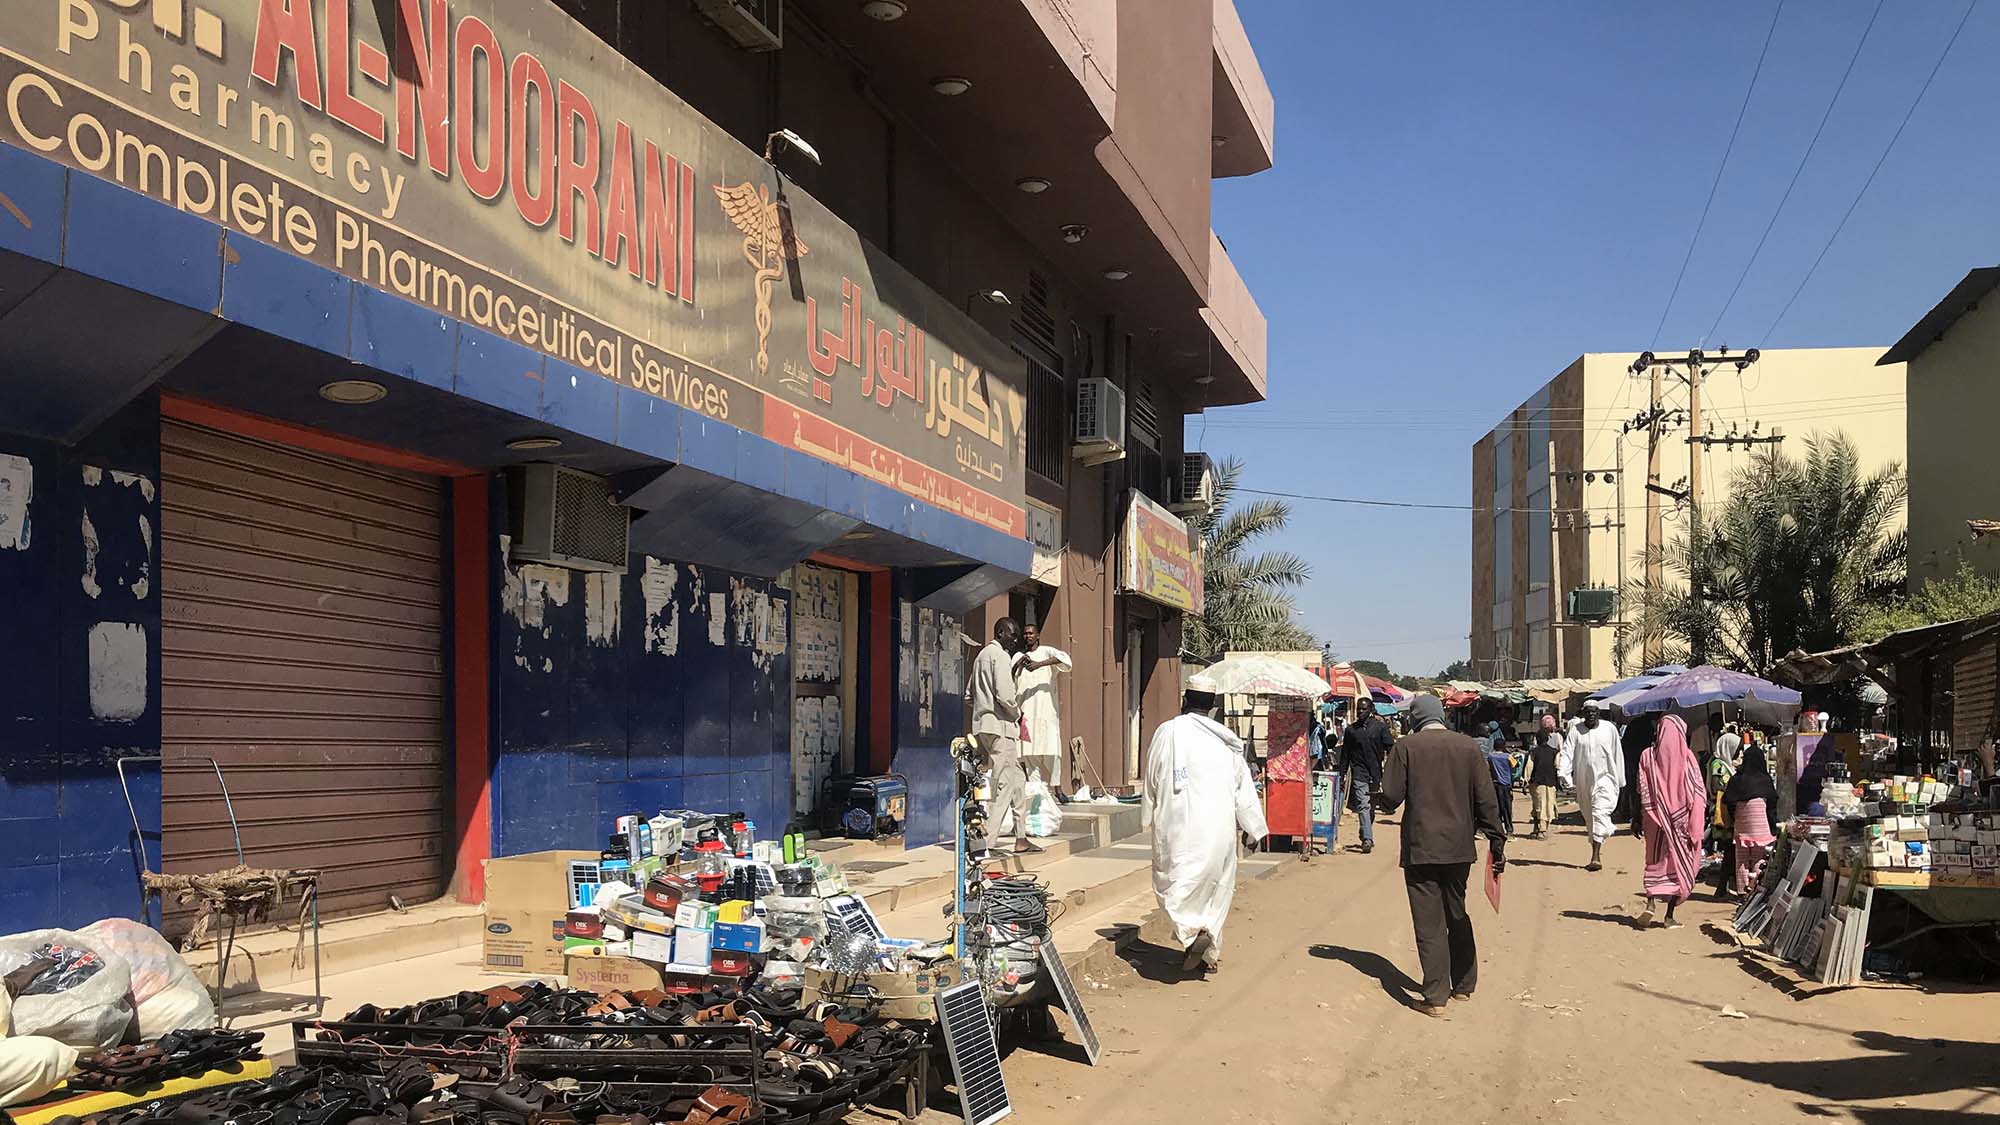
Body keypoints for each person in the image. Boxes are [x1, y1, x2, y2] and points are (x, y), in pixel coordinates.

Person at [1378, 695, 1506, 1018]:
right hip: (1460, 848)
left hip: (1421, 847)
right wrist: (1496, 839)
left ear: (1416, 719)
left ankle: (1436, 995)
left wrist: (1383, 799)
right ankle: (1463, 984)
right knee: (1456, 910)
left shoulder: (1405, 748)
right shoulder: (1468, 748)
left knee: (1428, 920)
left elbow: (1391, 796)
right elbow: (1486, 798)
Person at [1141, 673, 1269, 973]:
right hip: (1220, 829)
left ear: (1185, 700)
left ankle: (1190, 933)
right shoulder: (1226, 741)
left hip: (1178, 826)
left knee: (1176, 885)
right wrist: (1254, 828)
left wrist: (1147, 811)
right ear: (1212, 706)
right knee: (1216, 889)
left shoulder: (1168, 731)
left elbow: (1153, 773)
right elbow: (1243, 788)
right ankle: (1209, 953)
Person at [968, 617, 1034, 858]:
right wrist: (1018, 714)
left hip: (984, 724)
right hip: (1001, 727)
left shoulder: (981, 656)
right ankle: (987, 842)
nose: (1015, 640)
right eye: (1012, 634)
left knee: (1017, 779)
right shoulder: (1001, 656)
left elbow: (969, 694)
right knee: (1004, 783)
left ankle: (1021, 837)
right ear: (999, 632)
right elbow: (1005, 695)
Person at [1636, 715, 1706, 928]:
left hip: (1654, 820)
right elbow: (1698, 794)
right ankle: (1669, 916)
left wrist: (1639, 818)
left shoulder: (1647, 756)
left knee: (1655, 861)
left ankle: (1650, 902)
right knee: (1679, 866)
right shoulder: (1687, 759)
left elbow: (1642, 790)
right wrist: (1696, 826)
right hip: (1681, 823)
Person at [1564, 700, 1624, 872]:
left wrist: (1620, 779)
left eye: (1594, 711)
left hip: (1606, 779)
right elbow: (1568, 752)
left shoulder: (1609, 729)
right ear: (1583, 713)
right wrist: (1564, 773)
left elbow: (1616, 753)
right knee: (1590, 817)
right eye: (1588, 712)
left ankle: (1596, 856)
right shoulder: (1576, 730)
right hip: (1584, 782)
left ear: (1598, 713)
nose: (1591, 714)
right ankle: (1595, 842)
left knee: (1599, 812)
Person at [1013, 624, 1073, 790]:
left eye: (1031, 633)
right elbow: (1009, 676)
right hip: (1026, 712)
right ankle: (1036, 789)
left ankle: (1057, 787)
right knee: (1028, 752)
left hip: (1046, 711)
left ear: (1038, 635)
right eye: (1025, 634)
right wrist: (1020, 663)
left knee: (1052, 749)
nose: (1028, 636)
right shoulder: (1019, 655)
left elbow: (1066, 661)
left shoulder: (1047, 652)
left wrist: (1039, 664)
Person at [1722, 744, 1779, 896]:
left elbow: (1728, 800)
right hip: (1761, 826)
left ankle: (1741, 890)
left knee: (1741, 858)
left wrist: (1736, 817)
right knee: (1758, 858)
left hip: (1742, 824)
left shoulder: (1737, 779)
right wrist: (1774, 827)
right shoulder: (1765, 780)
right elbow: (1772, 805)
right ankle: (1754, 890)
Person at [1342, 704, 1393, 854]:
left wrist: (1392, 768)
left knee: (1370, 808)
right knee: (1363, 805)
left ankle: (1365, 830)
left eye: (1364, 709)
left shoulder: (1379, 728)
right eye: (1358, 709)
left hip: (1376, 774)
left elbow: (1390, 747)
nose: (1360, 712)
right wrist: (1342, 774)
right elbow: (1345, 754)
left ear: (1370, 710)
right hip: (1359, 773)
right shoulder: (1351, 730)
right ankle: (1367, 839)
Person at [1527, 714, 1564, 839]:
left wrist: (1526, 782)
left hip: (1536, 783)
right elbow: (1557, 767)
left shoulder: (1533, 752)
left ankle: (1539, 829)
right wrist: (1559, 782)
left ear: (1536, 740)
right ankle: (1542, 830)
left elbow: (1529, 768)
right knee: (1548, 806)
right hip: (1550, 782)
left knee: (1538, 806)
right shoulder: (1555, 752)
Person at [1485, 738, 1515, 837]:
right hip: (1506, 785)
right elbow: (1515, 765)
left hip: (1495, 785)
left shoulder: (1491, 757)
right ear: (1503, 746)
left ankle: (1497, 829)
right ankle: (1509, 829)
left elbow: (1488, 768)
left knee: (1496, 808)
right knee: (1507, 808)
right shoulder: (1508, 757)